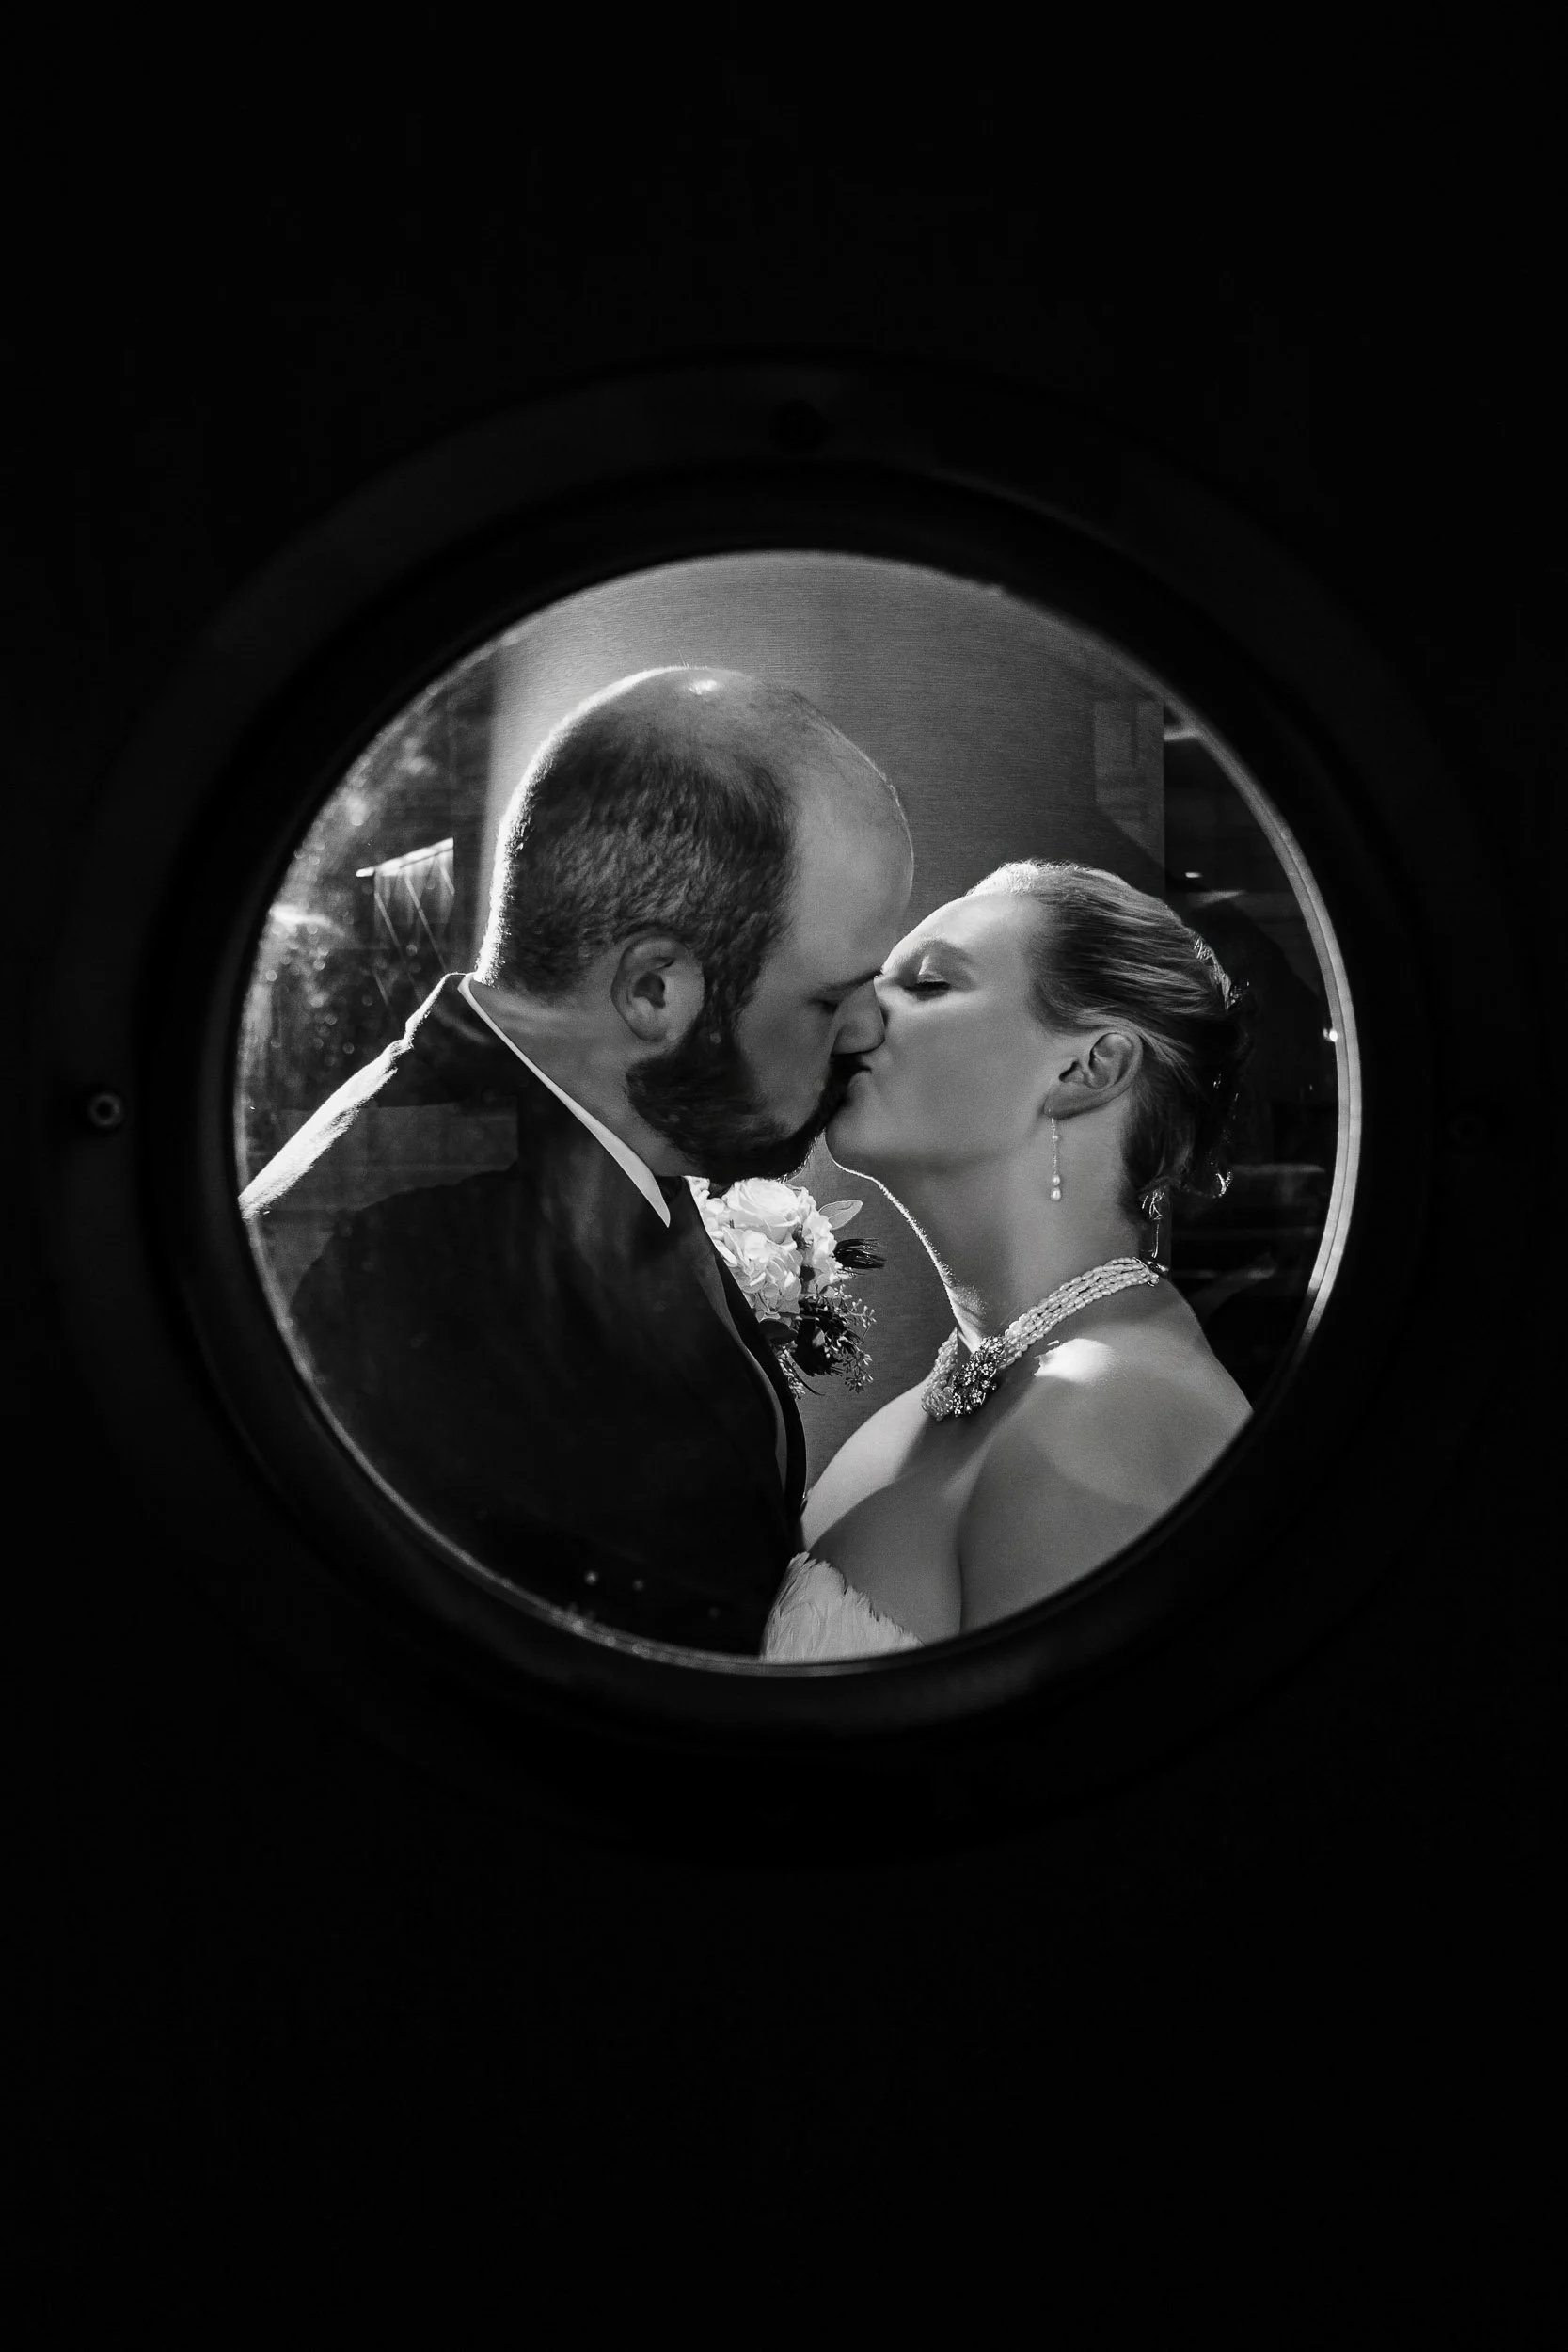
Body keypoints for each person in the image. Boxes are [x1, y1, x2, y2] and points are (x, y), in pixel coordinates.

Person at [242, 668, 913, 1653]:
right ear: (654, 991)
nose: (867, 1027)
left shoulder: (592, 1135)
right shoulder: (380, 1268)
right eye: (827, 997)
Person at [762, 860, 1252, 1660]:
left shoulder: (1110, 1415)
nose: (858, 1018)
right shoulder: (956, 1394)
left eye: (927, 985)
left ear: (1087, 1070)